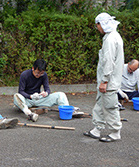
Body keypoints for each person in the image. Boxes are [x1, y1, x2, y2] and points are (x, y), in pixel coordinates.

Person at [83, 12, 124, 142]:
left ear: (102, 24)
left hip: (109, 81)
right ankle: (97, 129)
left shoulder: (111, 39)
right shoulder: (112, 36)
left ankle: (115, 132)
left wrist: (105, 81)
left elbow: (109, 61)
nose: (97, 28)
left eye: (97, 26)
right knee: (100, 105)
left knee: (110, 106)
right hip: (107, 80)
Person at [13, 59, 80, 122]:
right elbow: (21, 91)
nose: (39, 75)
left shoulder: (44, 75)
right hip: (27, 99)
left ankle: (68, 111)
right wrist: (30, 96)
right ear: (33, 68)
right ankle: (30, 114)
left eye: (41, 73)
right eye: (37, 73)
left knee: (61, 94)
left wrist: (46, 93)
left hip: (38, 98)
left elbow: (47, 89)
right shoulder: (24, 75)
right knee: (16, 96)